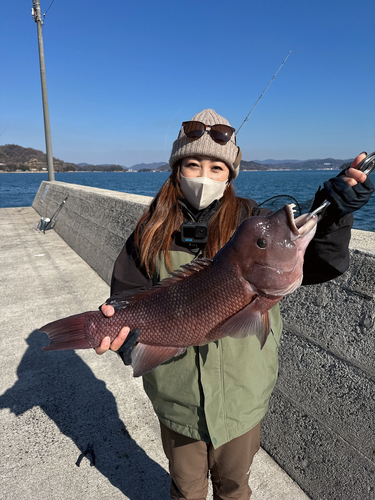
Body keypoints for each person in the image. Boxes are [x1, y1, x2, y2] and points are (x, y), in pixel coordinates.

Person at [95, 108, 374, 500]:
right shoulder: (149, 230)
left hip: (242, 396)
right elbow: (126, 295)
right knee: (186, 488)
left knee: (235, 485)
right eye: (192, 164)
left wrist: (334, 215)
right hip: (177, 398)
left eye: (216, 168)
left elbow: (318, 262)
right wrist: (120, 332)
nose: (203, 176)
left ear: (231, 175)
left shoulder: (253, 221)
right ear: (176, 169)